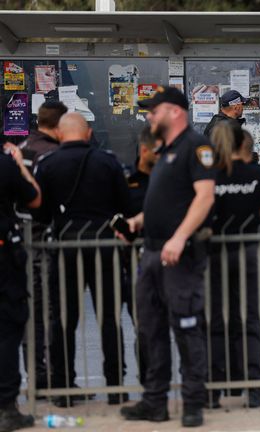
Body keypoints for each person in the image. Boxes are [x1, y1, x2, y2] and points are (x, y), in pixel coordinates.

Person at [120, 85, 216, 428]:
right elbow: (167, 202)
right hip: (152, 252)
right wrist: (137, 221)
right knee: (151, 330)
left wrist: (179, 238)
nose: (149, 116)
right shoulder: (167, 151)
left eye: (154, 110)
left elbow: (204, 197)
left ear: (174, 112)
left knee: (187, 329)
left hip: (179, 255)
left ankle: (193, 404)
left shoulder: (196, 146)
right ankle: (154, 402)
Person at [33, 112, 131, 407]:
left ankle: (64, 388)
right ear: (88, 133)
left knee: (63, 320)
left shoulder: (48, 165)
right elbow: (124, 205)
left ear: (60, 135)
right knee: (110, 320)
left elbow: (41, 213)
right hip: (104, 246)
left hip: (65, 248)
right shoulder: (108, 162)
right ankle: (115, 386)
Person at [207, 120, 260, 409]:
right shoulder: (257, 173)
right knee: (250, 321)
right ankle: (256, 390)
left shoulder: (210, 174)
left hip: (217, 250)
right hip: (248, 250)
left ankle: (213, 390)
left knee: (215, 322)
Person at [16, 100, 68, 391]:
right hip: (46, 241)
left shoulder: (20, 149)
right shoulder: (52, 155)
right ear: (59, 126)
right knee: (49, 312)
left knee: (30, 314)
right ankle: (51, 377)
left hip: (23, 240)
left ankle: (35, 374)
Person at [0, 142, 41, 432]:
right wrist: (20, 167)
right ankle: (7, 408)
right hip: (3, 260)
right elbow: (34, 199)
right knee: (7, 330)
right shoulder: (4, 165)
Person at [120, 124, 161, 387]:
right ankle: (150, 385)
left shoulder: (169, 180)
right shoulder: (126, 181)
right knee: (145, 328)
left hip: (170, 261)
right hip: (136, 265)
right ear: (144, 150)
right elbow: (116, 218)